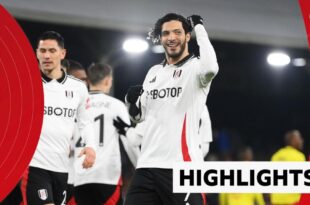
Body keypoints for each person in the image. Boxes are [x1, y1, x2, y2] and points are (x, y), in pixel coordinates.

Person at [124, 13, 219, 205]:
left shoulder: (196, 68)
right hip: (147, 166)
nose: (171, 37)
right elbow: (138, 117)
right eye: (166, 33)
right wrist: (130, 102)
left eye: (177, 32)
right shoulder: (154, 73)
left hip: (181, 167)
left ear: (187, 37)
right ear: (160, 38)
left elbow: (211, 67)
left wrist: (199, 27)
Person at [21, 31, 96, 205]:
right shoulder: (27, 84)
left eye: (52, 51)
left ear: (62, 53)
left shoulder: (77, 88)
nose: (47, 55)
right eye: (43, 50)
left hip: (62, 167)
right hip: (34, 165)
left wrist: (90, 147)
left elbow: (86, 122)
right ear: (36, 52)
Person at [73, 63, 130, 205]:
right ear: (107, 80)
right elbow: (129, 140)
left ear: (88, 80)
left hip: (79, 176)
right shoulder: (116, 105)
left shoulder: (77, 106)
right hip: (107, 175)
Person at [64, 59, 88, 205]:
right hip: (52, 175)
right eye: (80, 79)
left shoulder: (86, 107)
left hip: (78, 180)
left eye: (85, 79)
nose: (84, 84)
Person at [270, 130, 305, 205]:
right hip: (292, 200)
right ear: (293, 141)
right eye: (299, 138)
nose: (302, 141)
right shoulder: (299, 157)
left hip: (276, 200)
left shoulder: (276, 156)